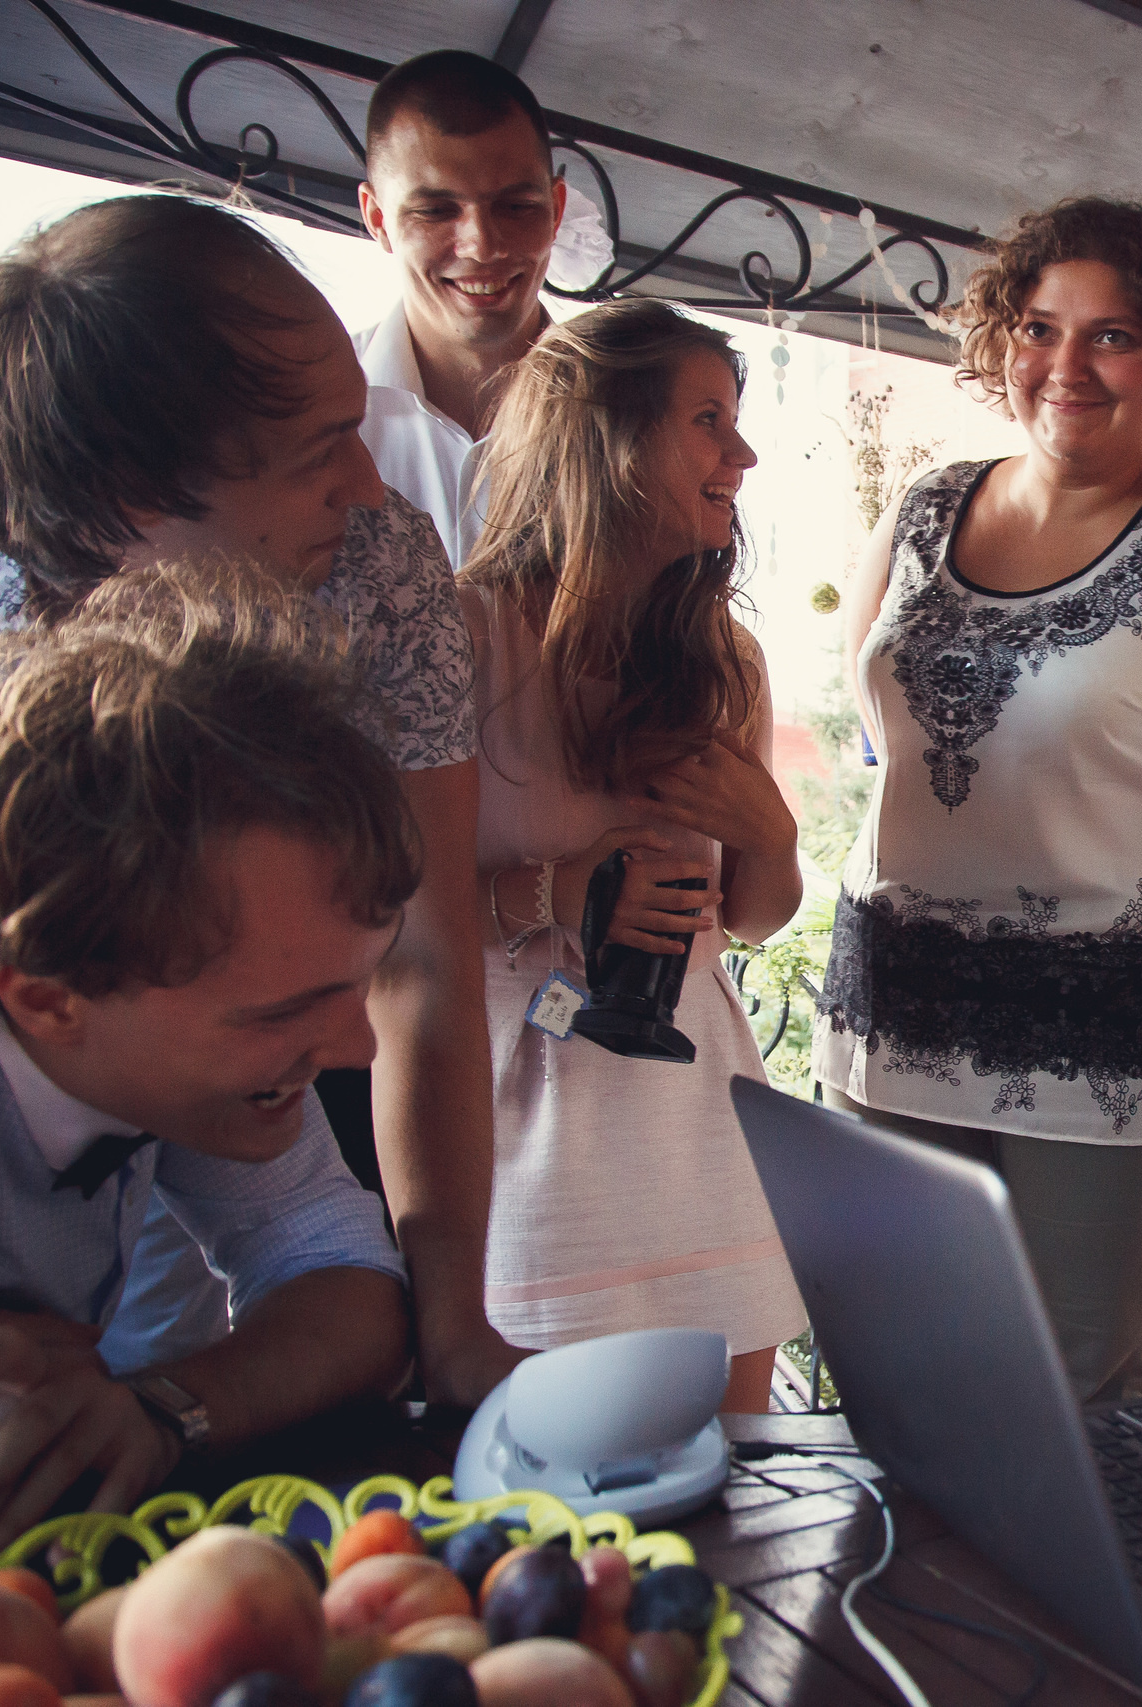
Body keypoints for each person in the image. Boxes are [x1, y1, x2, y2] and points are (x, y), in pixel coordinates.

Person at [0, 194, 518, 1404]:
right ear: (129, 494)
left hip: (148, 1047)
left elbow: (419, 970)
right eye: (313, 451)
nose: (371, 489)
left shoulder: (376, 564)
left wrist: (448, 1326)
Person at [0, 570, 413, 1583]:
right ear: (43, 997)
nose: (356, 1050)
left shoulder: (155, 1050)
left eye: (352, 989)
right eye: (282, 1012)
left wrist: (161, 1412)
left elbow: (346, 1282)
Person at [819, 196, 1142, 1403]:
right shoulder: (927, 506)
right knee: (895, 1371)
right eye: (1040, 328)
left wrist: (1124, 941)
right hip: (897, 1015)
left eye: (1113, 334)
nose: (1067, 366)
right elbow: (878, 716)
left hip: (1109, 1045)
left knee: (1085, 1394)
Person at [459, 300, 807, 1413]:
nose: (742, 453)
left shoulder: (728, 661)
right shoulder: (464, 639)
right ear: (602, 439)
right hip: (531, 1124)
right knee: (550, 1507)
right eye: (707, 419)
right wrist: (554, 893)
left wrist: (772, 833)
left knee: (741, 1499)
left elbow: (750, 919)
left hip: (697, 1119)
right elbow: (380, 919)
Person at [355, 49, 566, 569]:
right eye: (436, 211)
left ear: (556, 210)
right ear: (377, 219)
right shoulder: (301, 416)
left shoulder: (633, 413)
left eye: (516, 207)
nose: (482, 245)